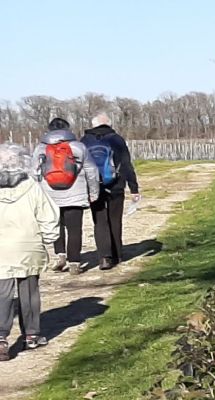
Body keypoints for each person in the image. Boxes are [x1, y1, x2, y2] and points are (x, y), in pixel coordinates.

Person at [0, 144, 59, 361]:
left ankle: (0, 338)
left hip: (1, 248)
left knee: (2, 294)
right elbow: (49, 216)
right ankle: (32, 334)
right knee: (29, 292)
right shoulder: (33, 187)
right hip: (29, 245)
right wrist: (49, 238)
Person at [32, 118, 99, 273]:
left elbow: (34, 173)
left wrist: (37, 193)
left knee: (56, 226)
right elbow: (92, 171)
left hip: (49, 195)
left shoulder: (41, 148)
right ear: (67, 129)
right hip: (75, 195)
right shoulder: (78, 146)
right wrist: (94, 192)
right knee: (75, 229)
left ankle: (60, 257)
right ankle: (74, 262)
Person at [83, 114, 139, 270]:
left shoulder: (85, 141)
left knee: (100, 221)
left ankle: (104, 257)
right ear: (109, 124)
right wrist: (133, 187)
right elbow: (127, 164)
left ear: (93, 125)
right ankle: (117, 254)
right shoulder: (117, 139)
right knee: (115, 219)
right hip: (116, 185)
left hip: (94, 186)